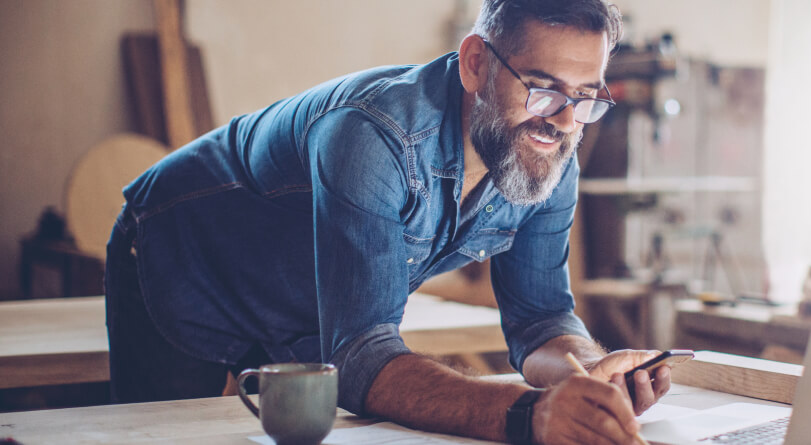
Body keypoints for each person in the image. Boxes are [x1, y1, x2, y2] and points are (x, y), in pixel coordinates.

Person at [105, 0, 672, 443]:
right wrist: (530, 416)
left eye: (586, 97)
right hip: (183, 260)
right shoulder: (372, 136)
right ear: (476, 63)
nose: (566, 121)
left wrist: (594, 374)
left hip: (305, 307)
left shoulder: (549, 154)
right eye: (544, 90)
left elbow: (542, 319)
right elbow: (360, 357)